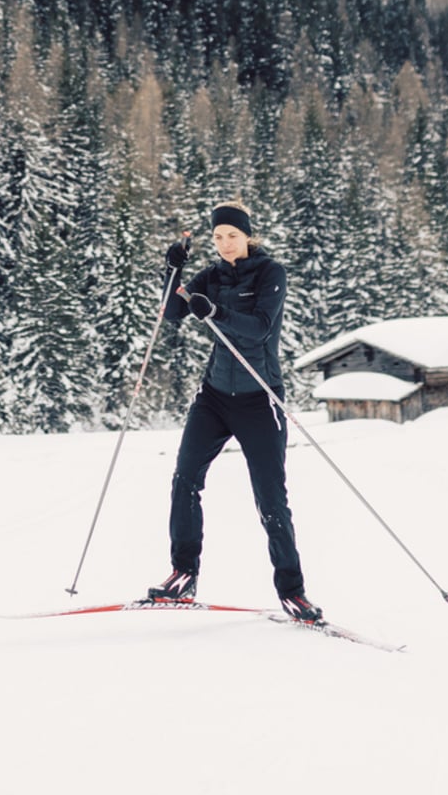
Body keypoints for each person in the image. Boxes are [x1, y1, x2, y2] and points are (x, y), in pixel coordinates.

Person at [146, 200, 324, 624]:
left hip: (259, 398)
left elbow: (261, 327)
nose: (225, 244)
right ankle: (183, 573)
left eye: (232, 235)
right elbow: (171, 314)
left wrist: (218, 312)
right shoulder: (211, 276)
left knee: (270, 499)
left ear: (248, 235)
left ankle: (293, 592)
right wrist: (172, 272)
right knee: (185, 479)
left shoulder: (269, 273)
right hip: (214, 397)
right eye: (218, 237)